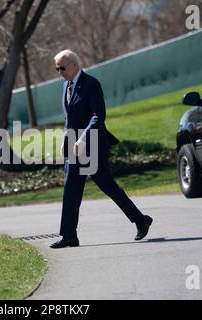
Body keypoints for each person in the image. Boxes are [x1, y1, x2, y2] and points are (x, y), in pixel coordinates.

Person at [50, 50, 153, 249]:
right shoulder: (65, 86)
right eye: (56, 69)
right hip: (73, 147)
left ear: (74, 65)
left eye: (62, 68)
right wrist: (66, 138)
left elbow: (98, 116)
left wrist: (83, 139)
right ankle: (69, 235)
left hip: (92, 146)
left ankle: (140, 220)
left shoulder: (91, 84)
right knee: (70, 190)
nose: (59, 72)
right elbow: (70, 117)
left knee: (108, 186)